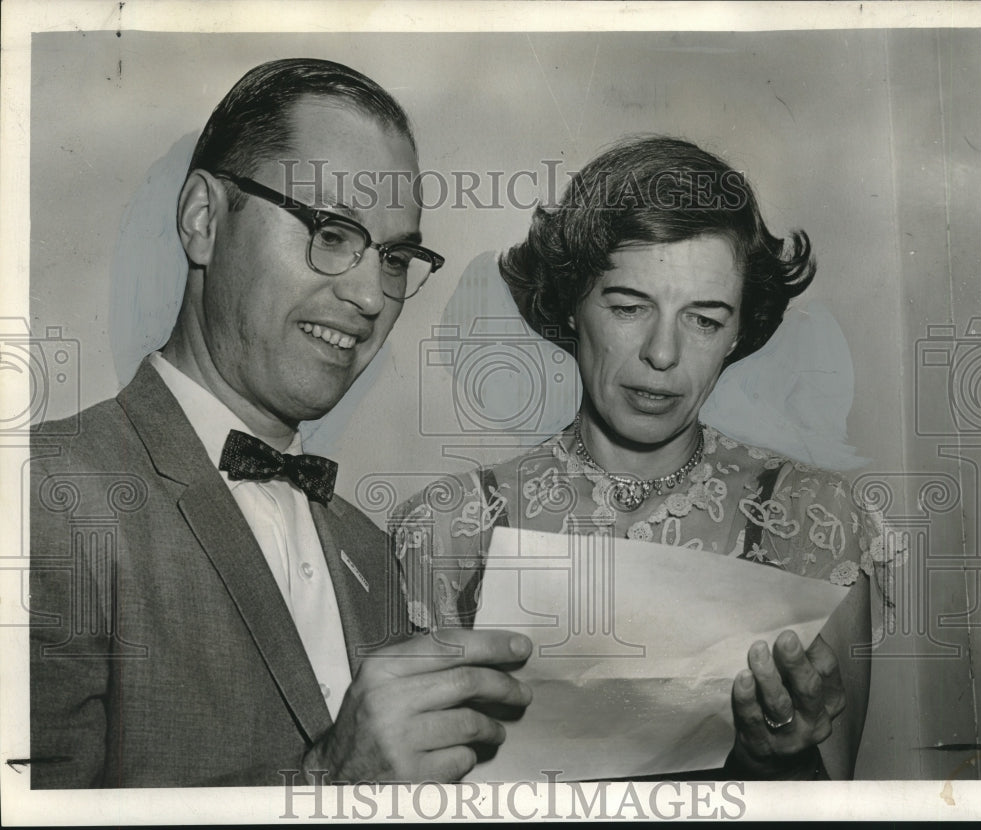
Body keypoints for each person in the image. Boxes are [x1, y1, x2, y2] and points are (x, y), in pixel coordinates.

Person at [29, 58, 533, 788]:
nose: (369, 296)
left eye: (394, 258)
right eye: (331, 232)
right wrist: (330, 784)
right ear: (203, 219)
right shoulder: (42, 496)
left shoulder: (370, 551)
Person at [392, 135, 900, 781]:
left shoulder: (819, 520)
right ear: (573, 304)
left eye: (705, 320)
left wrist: (778, 758)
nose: (663, 353)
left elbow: (836, 800)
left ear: (739, 331)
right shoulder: (449, 525)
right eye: (629, 307)